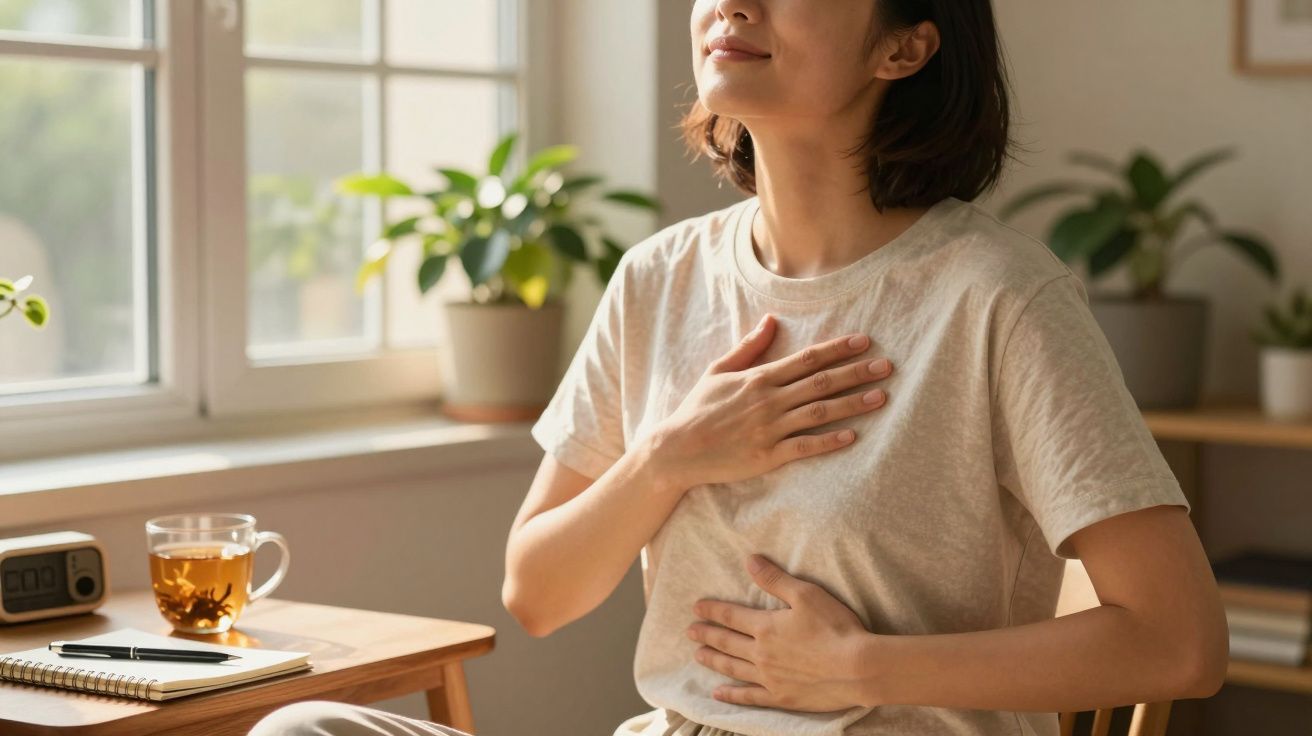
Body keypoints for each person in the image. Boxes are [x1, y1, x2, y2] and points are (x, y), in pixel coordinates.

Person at [248, 1, 1229, 735]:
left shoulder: (995, 295)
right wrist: (670, 457)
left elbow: (1178, 641)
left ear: (905, 45)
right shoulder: (659, 278)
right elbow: (537, 589)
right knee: (305, 727)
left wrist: (864, 668)